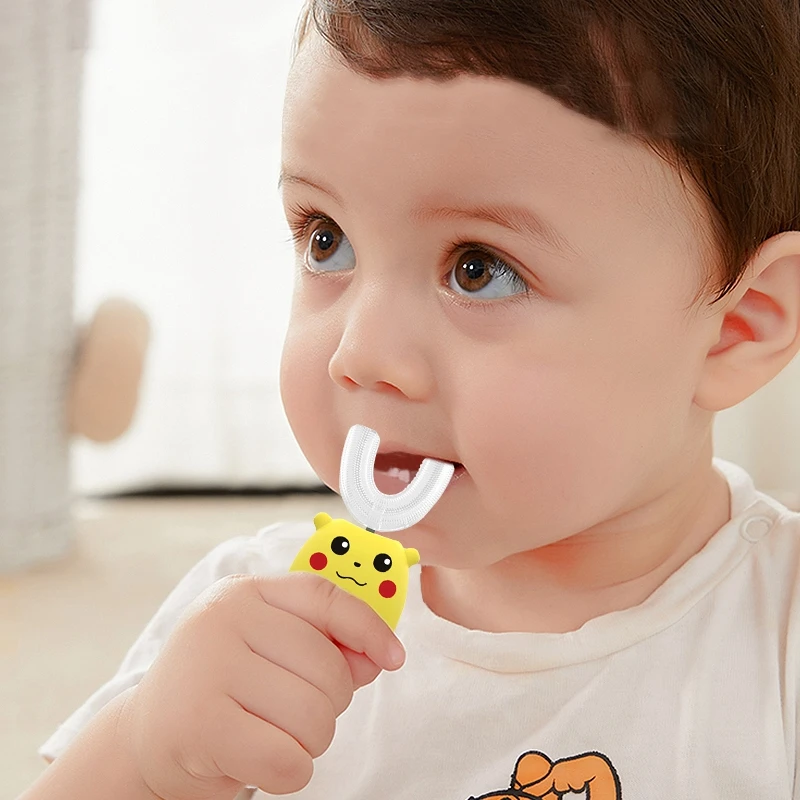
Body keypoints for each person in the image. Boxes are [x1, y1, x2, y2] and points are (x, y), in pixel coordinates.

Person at [19, 0, 800, 798]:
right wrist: (149, 754)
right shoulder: (254, 612)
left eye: (479, 268)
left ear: (736, 328)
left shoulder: (778, 639)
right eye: (328, 238)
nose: (360, 353)